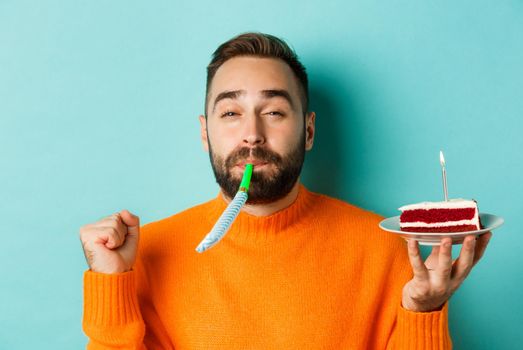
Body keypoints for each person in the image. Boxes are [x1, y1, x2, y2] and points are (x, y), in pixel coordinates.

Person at [79, 32, 491, 349]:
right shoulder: (149, 253)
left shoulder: (387, 250)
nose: (252, 136)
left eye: (273, 112)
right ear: (205, 133)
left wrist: (423, 311)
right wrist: (111, 284)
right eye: (230, 113)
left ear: (308, 130)